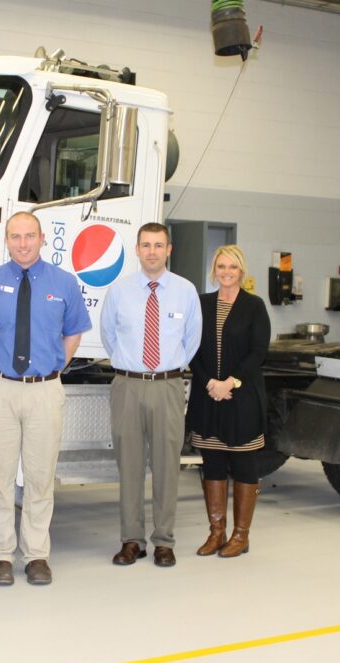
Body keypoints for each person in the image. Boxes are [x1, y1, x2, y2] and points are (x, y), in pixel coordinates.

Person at [0, 211, 91, 586]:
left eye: (29, 236)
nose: (22, 243)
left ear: (42, 239)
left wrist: (53, 366)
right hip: (0, 388)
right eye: (15, 236)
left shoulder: (64, 283)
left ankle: (37, 555)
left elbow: (74, 332)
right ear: (6, 241)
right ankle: (1, 555)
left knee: (40, 476)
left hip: (44, 390)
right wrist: (3, 369)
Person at [100, 222, 201, 568]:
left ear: (169, 250)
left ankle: (163, 541)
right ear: (137, 250)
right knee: (129, 466)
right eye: (146, 245)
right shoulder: (119, 291)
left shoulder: (186, 291)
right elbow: (109, 336)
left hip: (168, 386)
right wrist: (133, 367)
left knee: (166, 467)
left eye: (159, 245)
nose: (152, 251)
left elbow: (192, 339)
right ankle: (132, 540)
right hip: (127, 385)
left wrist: (166, 370)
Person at [186, 244, 270, 558]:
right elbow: (191, 347)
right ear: (214, 271)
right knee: (213, 464)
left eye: (232, 267)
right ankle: (216, 533)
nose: (226, 272)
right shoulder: (202, 304)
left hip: (241, 397)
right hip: (208, 396)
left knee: (245, 464)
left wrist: (229, 382)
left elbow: (258, 352)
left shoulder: (254, 306)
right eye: (221, 267)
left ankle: (240, 536)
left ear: (241, 271)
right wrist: (210, 383)